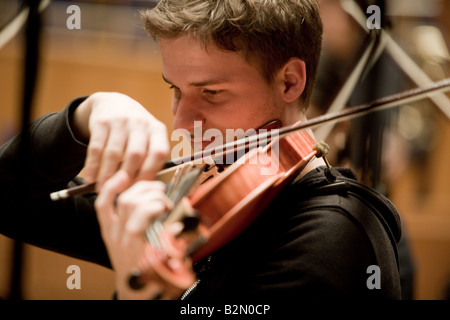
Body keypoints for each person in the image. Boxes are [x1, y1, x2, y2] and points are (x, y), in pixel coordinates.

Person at [0, 0, 402, 301]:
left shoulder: (333, 236)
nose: (181, 122)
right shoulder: (198, 197)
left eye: (211, 93)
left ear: (290, 83)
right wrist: (86, 115)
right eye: (175, 90)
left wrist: (144, 294)